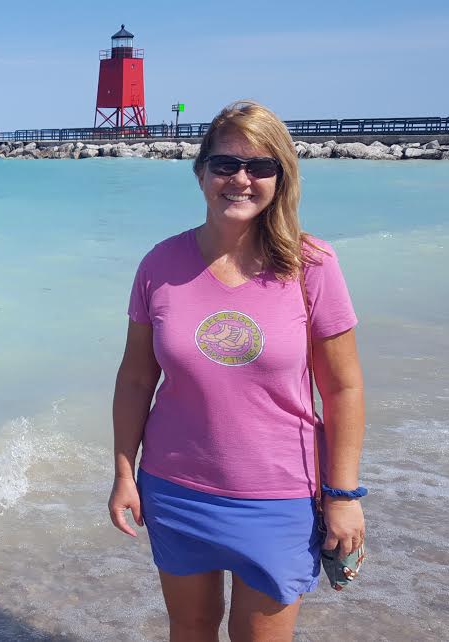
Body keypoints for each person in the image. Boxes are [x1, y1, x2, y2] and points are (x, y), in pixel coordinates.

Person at [109, 100, 366, 641]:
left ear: (281, 176)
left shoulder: (312, 265)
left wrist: (342, 497)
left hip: (280, 496)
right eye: (226, 163)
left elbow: (343, 389)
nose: (241, 179)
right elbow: (135, 379)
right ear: (201, 171)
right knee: (191, 628)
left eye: (260, 166)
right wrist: (124, 473)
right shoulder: (160, 263)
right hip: (175, 487)